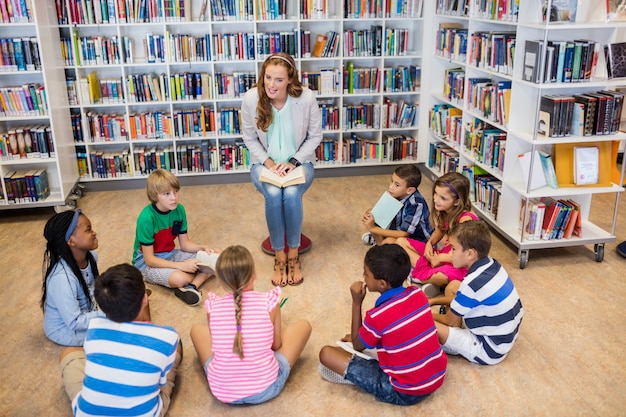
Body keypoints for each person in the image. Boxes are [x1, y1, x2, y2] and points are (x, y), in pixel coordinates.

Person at [318, 244, 447, 406]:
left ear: (382, 284)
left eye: (366, 274)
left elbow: (357, 346)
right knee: (366, 339)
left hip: (404, 392)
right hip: (437, 375)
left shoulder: (377, 316)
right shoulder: (418, 293)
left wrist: (356, 303)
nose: (363, 277)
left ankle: (358, 377)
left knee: (327, 354)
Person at [190, 245, 312, 405]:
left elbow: (216, 344)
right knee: (304, 326)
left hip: (222, 390)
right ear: (254, 274)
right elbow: (276, 346)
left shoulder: (212, 307)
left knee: (196, 330)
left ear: (220, 281)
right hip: (266, 388)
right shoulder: (270, 302)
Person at [241, 52, 323, 287]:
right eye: (267, 78)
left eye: (278, 79)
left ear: (290, 79)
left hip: (299, 164)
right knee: (275, 194)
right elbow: (249, 138)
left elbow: (315, 136)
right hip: (263, 165)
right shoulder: (250, 99)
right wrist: (268, 163)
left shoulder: (306, 98)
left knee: (292, 193)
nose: (271, 85)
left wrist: (293, 162)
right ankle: (280, 259)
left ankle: (294, 258)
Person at [58, 263, 182, 416]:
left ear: (102, 308)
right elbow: (160, 383)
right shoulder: (168, 337)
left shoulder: (94, 326)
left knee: (68, 353)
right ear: (145, 299)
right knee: (175, 350)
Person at [432, 220, 524, 365]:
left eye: (453, 249)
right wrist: (431, 301)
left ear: (470, 254)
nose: (450, 253)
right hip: (506, 337)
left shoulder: (471, 283)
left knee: (425, 324)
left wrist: (424, 312)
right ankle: (455, 324)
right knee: (454, 286)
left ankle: (453, 333)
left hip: (488, 350)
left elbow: (448, 320)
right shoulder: (492, 263)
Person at [132, 169, 218, 306]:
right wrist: (181, 265)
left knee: (216, 257)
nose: (173, 197)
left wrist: (203, 247)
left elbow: (185, 244)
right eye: (167, 194)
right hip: (146, 263)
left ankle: (190, 287)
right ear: (155, 195)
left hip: (170, 254)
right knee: (180, 278)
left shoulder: (179, 210)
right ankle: (189, 281)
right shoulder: (146, 218)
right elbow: (149, 259)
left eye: (176, 192)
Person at [396, 171, 478, 304]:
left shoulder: (466, 220)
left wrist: (441, 258)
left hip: (458, 263)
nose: (435, 199)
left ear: (457, 201)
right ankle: (428, 278)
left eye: (443, 198)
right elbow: (440, 230)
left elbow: (466, 256)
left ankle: (420, 275)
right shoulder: (447, 210)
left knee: (442, 276)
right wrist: (429, 243)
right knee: (400, 242)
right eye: (435, 194)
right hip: (444, 254)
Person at [41, 209, 105, 346]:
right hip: (64, 329)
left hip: (85, 316)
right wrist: (108, 315)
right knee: (115, 330)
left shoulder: (92, 257)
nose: (94, 233)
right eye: (88, 230)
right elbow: (74, 321)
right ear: (71, 241)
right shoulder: (61, 278)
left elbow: (92, 288)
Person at [361, 164, 432, 246]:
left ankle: (382, 246)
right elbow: (382, 212)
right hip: (398, 228)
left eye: (397, 185)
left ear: (410, 190)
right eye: (392, 181)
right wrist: (372, 213)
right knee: (372, 215)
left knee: (389, 241)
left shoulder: (415, 204)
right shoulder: (396, 193)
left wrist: (373, 229)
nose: (391, 187)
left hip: (417, 240)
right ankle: (380, 244)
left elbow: (404, 234)